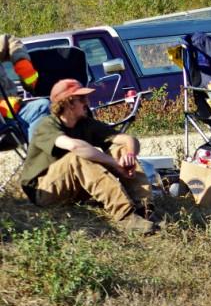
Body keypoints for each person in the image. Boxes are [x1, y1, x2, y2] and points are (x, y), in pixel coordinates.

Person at [19, 79, 157, 235]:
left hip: (75, 187)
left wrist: (129, 155)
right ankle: (125, 217)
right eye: (82, 99)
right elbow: (75, 147)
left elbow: (127, 139)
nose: (87, 102)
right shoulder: (46, 125)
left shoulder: (84, 123)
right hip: (44, 191)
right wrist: (114, 163)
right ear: (68, 103)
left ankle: (145, 210)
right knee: (77, 157)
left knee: (120, 149)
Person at [0, 33, 51, 140]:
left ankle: (36, 154)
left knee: (43, 106)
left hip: (13, 114)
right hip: (4, 118)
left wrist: (22, 63)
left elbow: (9, 41)